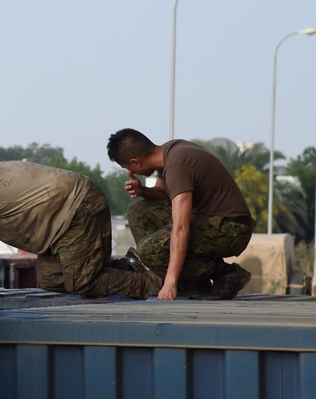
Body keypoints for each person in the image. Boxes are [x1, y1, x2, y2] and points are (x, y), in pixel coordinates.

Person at [0, 157, 161, 309]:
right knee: (50, 279)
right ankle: (129, 267)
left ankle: (152, 284)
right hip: (59, 227)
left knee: (80, 282)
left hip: (78, 206)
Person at [106, 128, 253, 300]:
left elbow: (181, 228)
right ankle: (192, 283)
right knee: (138, 211)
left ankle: (224, 273)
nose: (130, 172)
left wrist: (170, 282)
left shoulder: (177, 165)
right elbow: (164, 196)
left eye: (128, 167)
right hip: (210, 221)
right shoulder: (169, 153)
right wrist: (143, 191)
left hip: (231, 228)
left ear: (136, 162)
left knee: (148, 250)